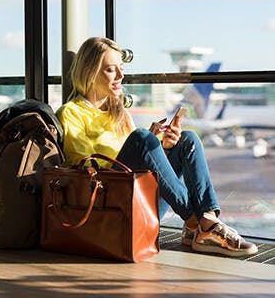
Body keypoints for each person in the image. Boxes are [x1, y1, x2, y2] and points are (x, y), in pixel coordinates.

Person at [56, 36, 258, 257]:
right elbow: (84, 170)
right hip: (110, 204)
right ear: (90, 72)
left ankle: (199, 226)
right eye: (111, 70)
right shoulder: (72, 113)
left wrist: (159, 147)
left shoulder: (118, 112)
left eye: (121, 68)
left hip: (136, 196)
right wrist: (143, 143)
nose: (121, 76)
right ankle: (198, 223)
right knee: (142, 137)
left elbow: (133, 160)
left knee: (188, 140)